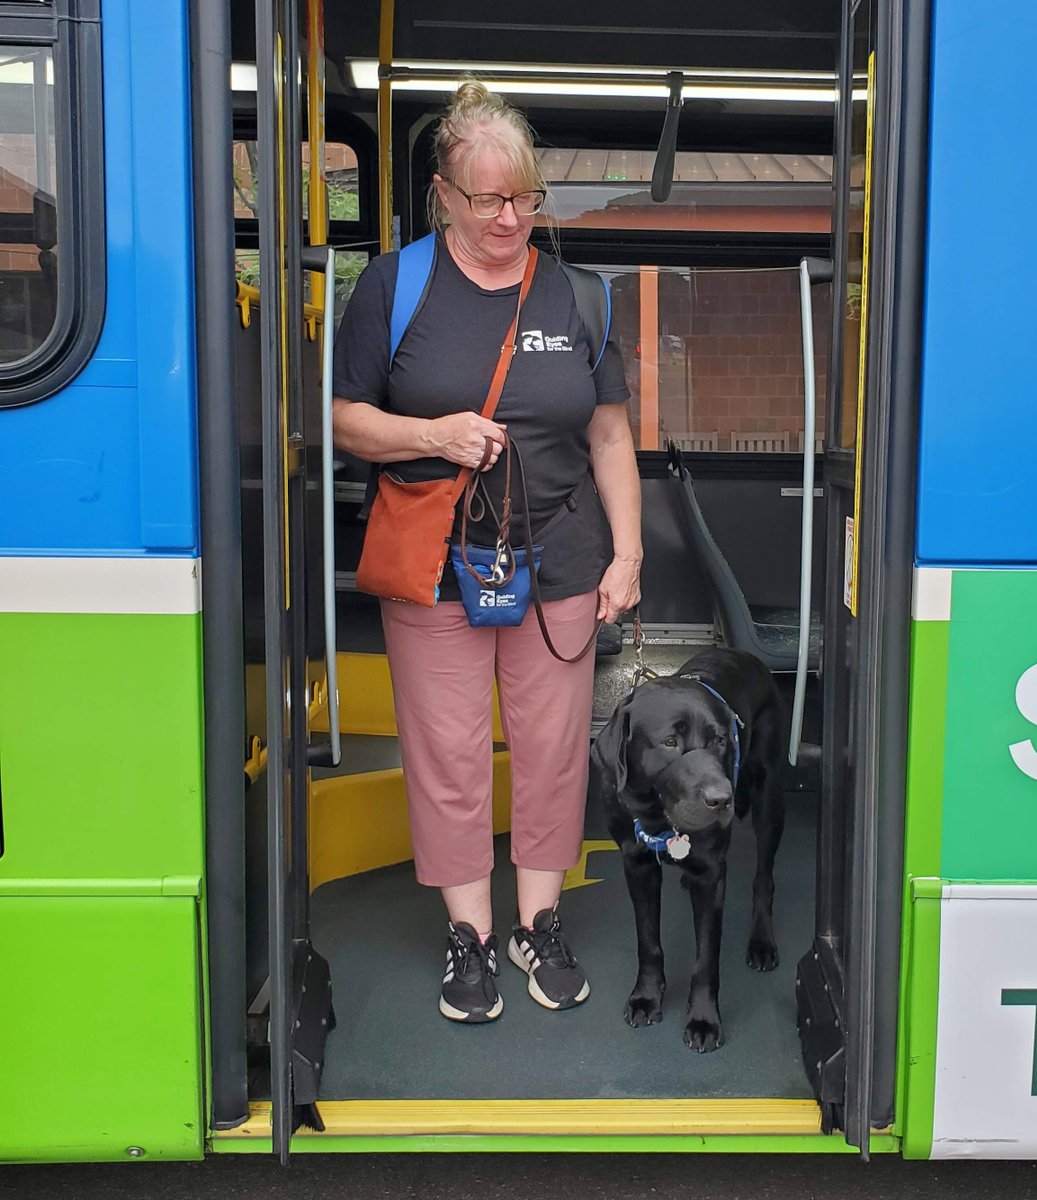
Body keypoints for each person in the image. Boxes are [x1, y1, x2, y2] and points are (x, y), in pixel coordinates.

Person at [331, 81, 642, 1024]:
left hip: (561, 561)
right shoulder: (395, 285)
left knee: (551, 753)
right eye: (488, 200)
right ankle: (468, 934)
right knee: (450, 755)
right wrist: (434, 433)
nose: (510, 219)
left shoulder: (580, 296)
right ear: (445, 195)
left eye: (526, 199)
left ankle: (536, 924)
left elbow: (612, 437)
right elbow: (344, 421)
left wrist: (626, 557)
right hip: (436, 559)